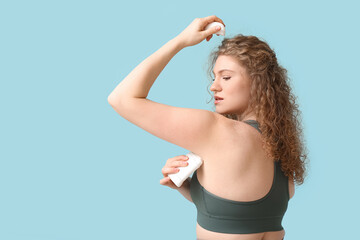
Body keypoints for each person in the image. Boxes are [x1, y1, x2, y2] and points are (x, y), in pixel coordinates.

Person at [108, 15, 308, 240]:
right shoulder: (280, 152)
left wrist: (181, 40)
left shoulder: (216, 129)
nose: (213, 86)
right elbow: (240, 215)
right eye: (214, 77)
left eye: (226, 77)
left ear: (257, 82)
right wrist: (192, 190)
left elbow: (121, 98)